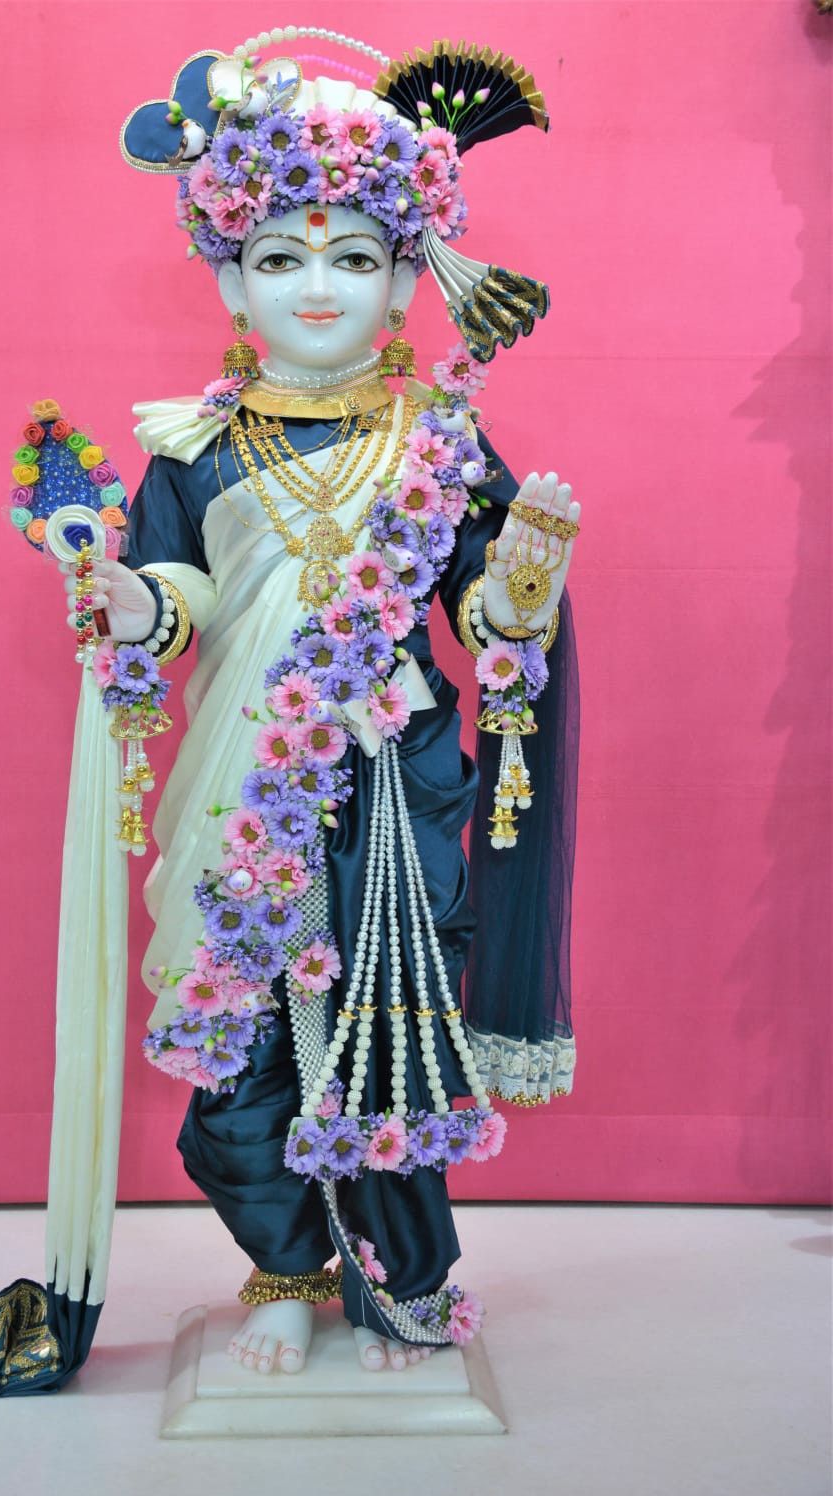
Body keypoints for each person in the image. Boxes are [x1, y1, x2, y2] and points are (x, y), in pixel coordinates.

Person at [71, 33, 582, 1375]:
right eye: (283, 257)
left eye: (354, 258)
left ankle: (405, 1278)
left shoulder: (445, 444)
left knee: (387, 1028)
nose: (317, 286)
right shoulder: (191, 444)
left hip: (392, 788)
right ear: (230, 273)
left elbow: (490, 617)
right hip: (239, 780)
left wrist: (520, 585)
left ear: (411, 276)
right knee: (239, 1051)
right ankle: (284, 1271)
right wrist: (135, 609)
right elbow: (171, 590)